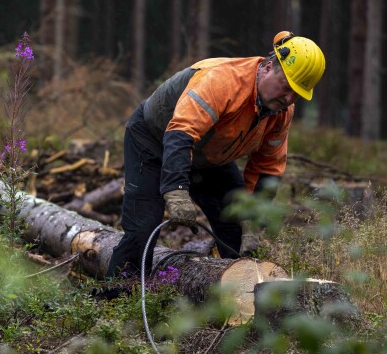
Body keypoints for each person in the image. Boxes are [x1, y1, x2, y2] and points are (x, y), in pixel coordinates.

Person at [106, 31, 326, 279]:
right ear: (267, 67)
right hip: (153, 139)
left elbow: (268, 167)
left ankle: (237, 293)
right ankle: (117, 292)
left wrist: (253, 221)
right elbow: (181, 132)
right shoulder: (223, 80)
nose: (288, 98)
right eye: (286, 86)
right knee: (143, 226)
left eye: (296, 94)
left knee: (236, 226)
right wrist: (176, 190)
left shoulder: (281, 111)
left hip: (209, 156)